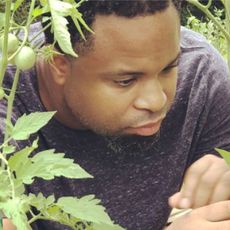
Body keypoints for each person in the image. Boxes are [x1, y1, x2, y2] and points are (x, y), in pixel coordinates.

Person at [1, 0, 230, 229]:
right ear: (59, 64)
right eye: (125, 81)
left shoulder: (200, 75)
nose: (156, 100)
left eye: (169, 68)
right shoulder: (8, 99)